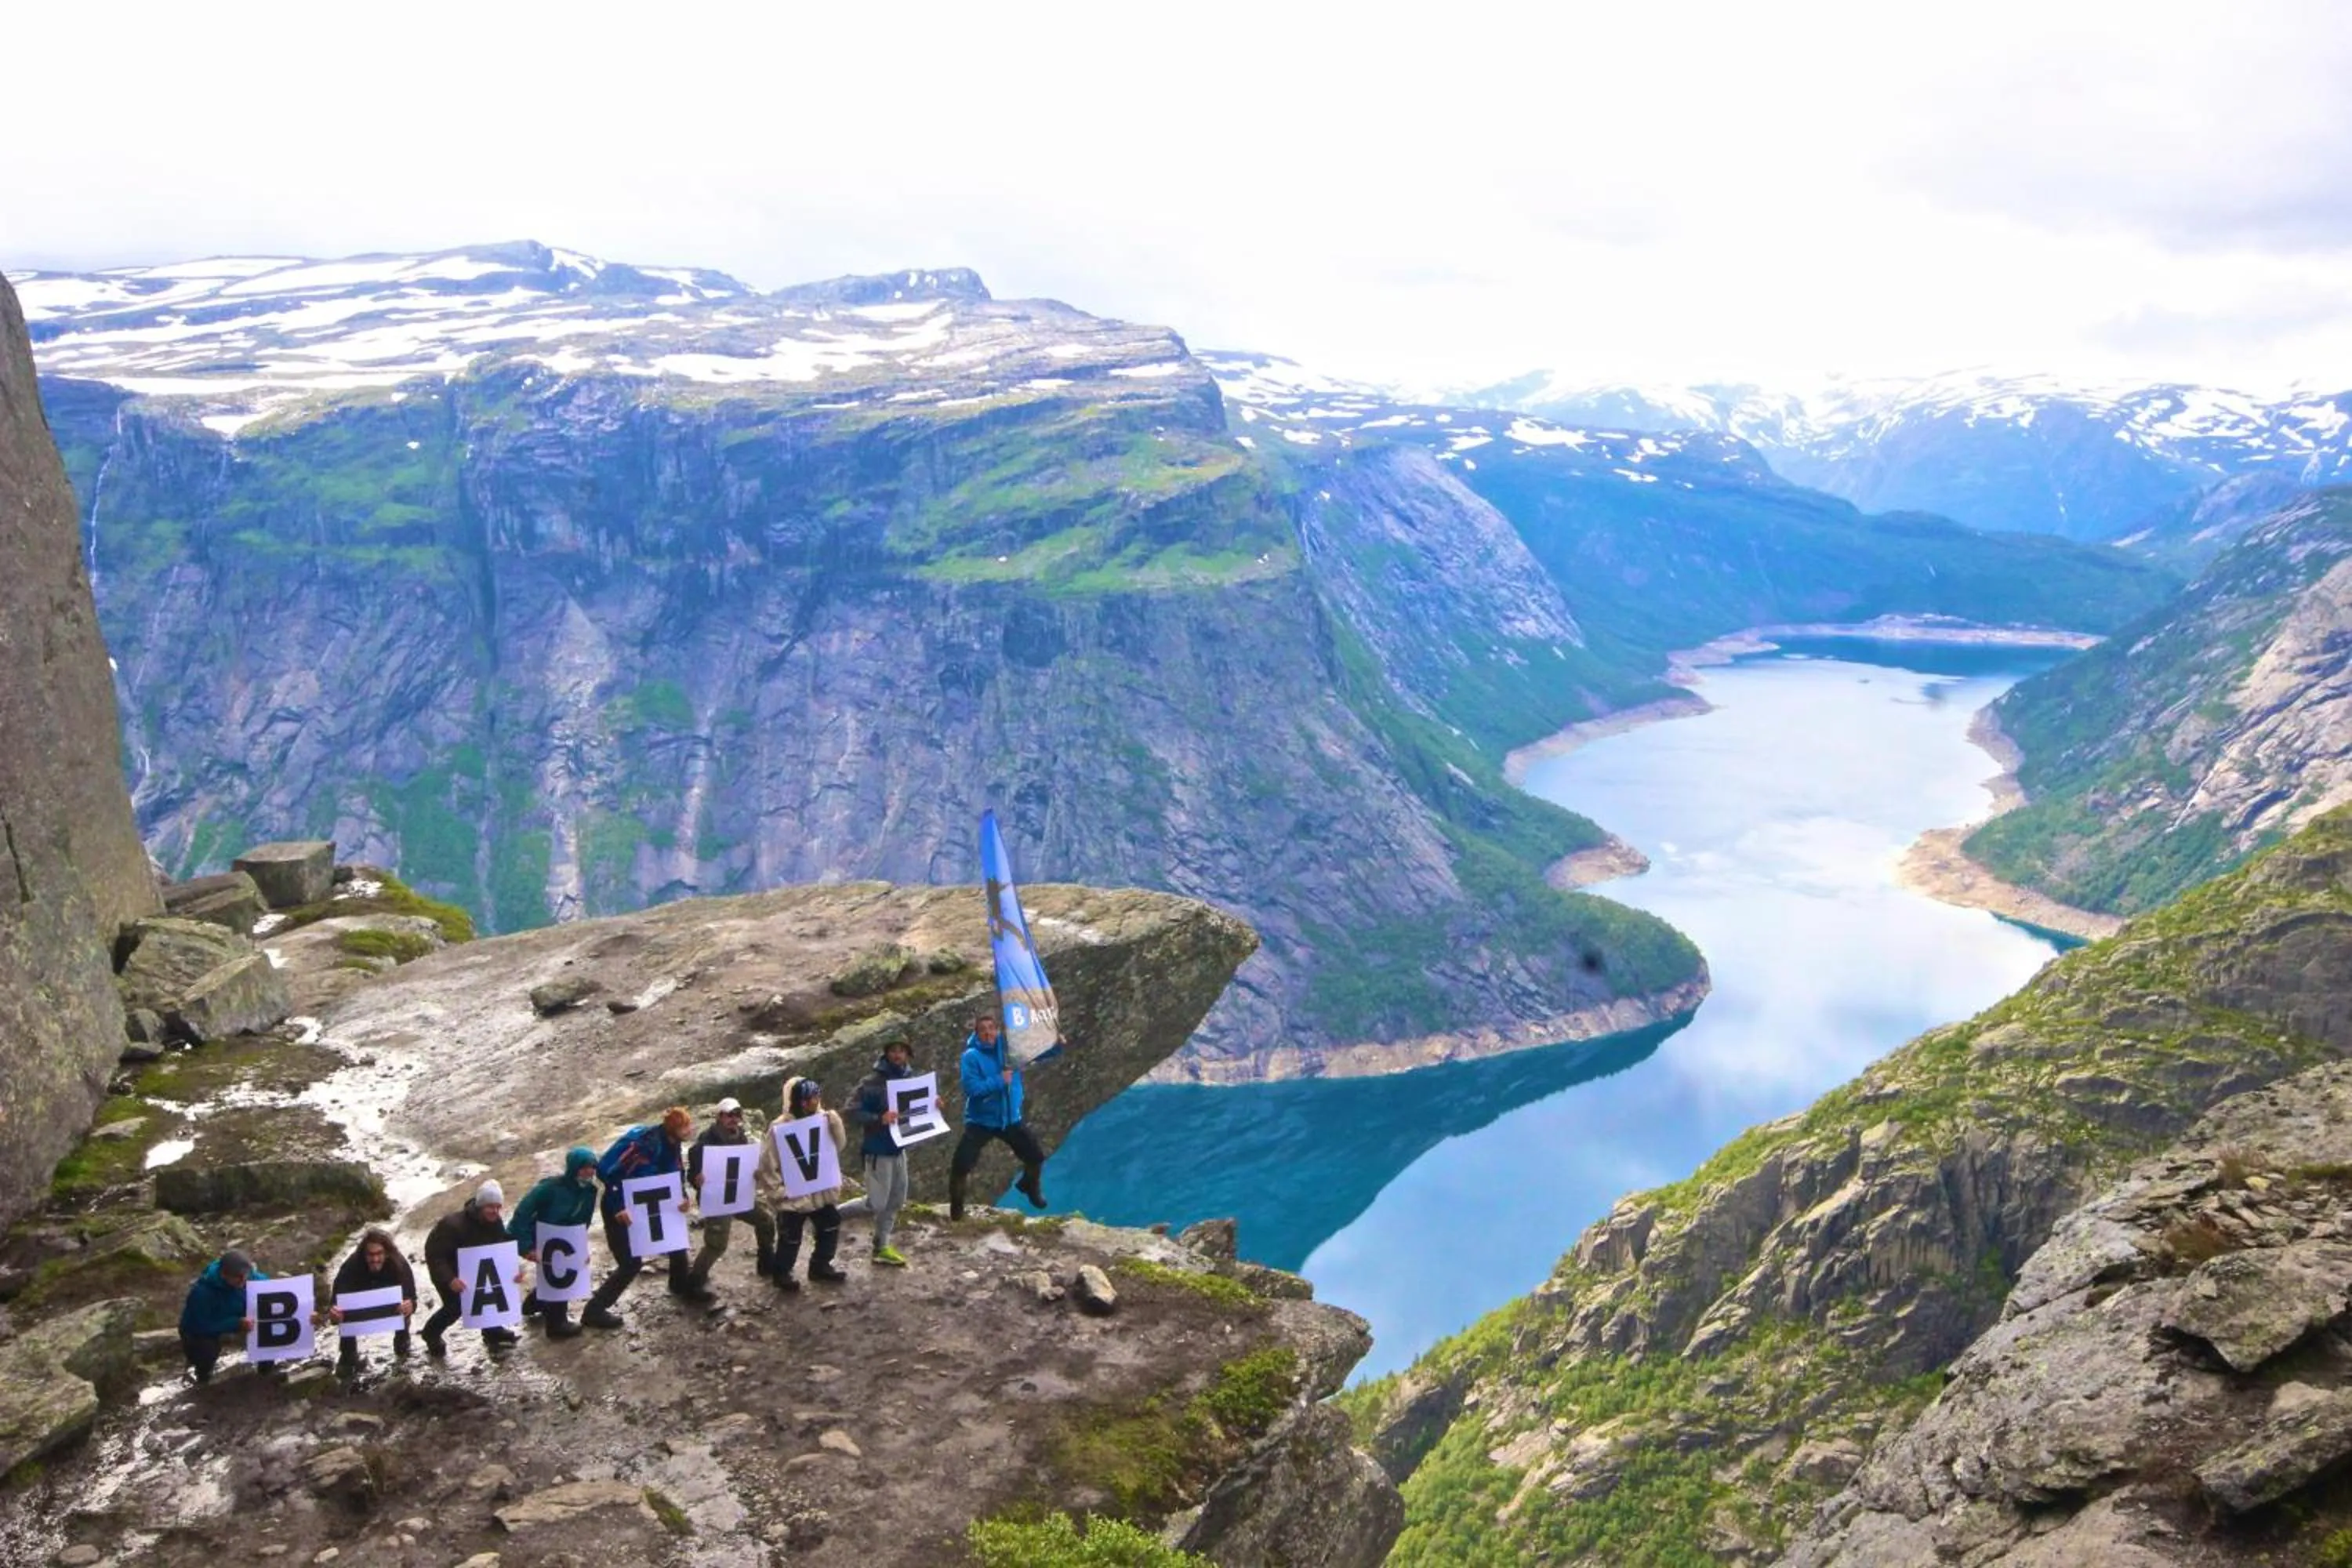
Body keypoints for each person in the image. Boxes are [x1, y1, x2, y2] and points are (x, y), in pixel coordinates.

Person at [582, 1107, 699, 1329]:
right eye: (685, 1126)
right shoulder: (643, 1145)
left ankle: (679, 1285)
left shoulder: (672, 1145)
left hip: (653, 1199)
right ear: (674, 1129)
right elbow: (609, 1172)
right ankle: (594, 1310)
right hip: (622, 1207)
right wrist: (618, 1207)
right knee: (630, 1262)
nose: (689, 1130)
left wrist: (681, 1196)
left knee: (676, 1244)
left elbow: (675, 1173)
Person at [951, 1012, 1049, 1220]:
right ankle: (957, 1209)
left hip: (1009, 1119)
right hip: (981, 1121)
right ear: (977, 1034)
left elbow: (1037, 1053)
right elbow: (972, 1089)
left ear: (997, 1030)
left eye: (991, 1028)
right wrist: (999, 1080)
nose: (988, 1032)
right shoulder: (971, 1056)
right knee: (961, 1166)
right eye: (982, 1030)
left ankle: (1029, 1186)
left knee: (1036, 1158)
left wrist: (1055, 1043)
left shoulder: (1009, 1049)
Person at [758, 1076, 848, 1290]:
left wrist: (836, 1125)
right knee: (790, 1237)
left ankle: (820, 1265)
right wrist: (778, 1191)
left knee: (830, 1223)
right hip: (793, 1195)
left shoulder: (823, 1120)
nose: (813, 1103)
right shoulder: (779, 1127)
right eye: (808, 1099)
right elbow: (767, 1163)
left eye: (816, 1098)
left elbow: (838, 1147)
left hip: (819, 1192)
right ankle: (782, 1273)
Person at [683, 1097, 775, 1295]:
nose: (734, 1119)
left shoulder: (739, 1136)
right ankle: (694, 1283)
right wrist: (697, 1179)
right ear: (720, 1117)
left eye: (737, 1115)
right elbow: (693, 1172)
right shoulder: (706, 1141)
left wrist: (753, 1173)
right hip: (717, 1199)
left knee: (766, 1221)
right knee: (716, 1244)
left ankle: (766, 1264)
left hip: (738, 1195)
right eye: (729, 1115)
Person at [508, 1145, 601, 1338]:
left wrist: (580, 1248)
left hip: (567, 1239)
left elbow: (584, 1221)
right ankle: (557, 1325)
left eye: (592, 1167)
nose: (589, 1172)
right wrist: (526, 1246)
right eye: (584, 1167)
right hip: (545, 1237)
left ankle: (534, 1304)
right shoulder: (549, 1188)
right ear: (574, 1168)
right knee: (560, 1279)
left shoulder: (590, 1191)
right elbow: (522, 1214)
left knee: (558, 1275)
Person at [837, 1036, 915, 1267]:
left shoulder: (910, 1079)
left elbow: (913, 1110)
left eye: (902, 1051)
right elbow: (850, 1111)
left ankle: (881, 1247)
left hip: (899, 1149)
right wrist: (878, 1119)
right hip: (878, 1150)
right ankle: (831, 1217)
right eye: (893, 1050)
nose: (897, 1055)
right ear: (886, 1054)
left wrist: (932, 1104)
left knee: (896, 1200)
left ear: (908, 1054)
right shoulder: (871, 1082)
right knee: (875, 1203)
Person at [421, 1180, 521, 1355]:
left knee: (492, 1294)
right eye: (491, 1207)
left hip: (476, 1268)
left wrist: (512, 1270)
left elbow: (500, 1247)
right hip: (448, 1270)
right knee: (455, 1307)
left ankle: (492, 1331)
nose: (495, 1211)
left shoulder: (495, 1222)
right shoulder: (452, 1225)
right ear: (481, 1205)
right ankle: (431, 1333)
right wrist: (450, 1279)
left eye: (498, 1207)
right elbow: (435, 1255)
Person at [328, 1227, 418, 1372]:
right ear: (364, 1255)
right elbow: (335, 1302)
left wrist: (411, 1305)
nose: (375, 1259)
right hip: (360, 1288)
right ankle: (348, 1356)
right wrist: (334, 1314)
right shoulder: (351, 1266)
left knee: (404, 1310)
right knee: (344, 1315)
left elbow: (412, 1297)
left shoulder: (399, 1264)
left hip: (390, 1290)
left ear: (387, 1253)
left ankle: (402, 1346)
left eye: (379, 1254)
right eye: (370, 1255)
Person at [179, 1249, 267, 1384]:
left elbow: (272, 1293)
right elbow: (199, 1325)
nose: (243, 1280)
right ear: (224, 1274)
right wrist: (235, 1323)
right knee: (205, 1349)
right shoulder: (202, 1292)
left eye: (245, 1275)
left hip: (240, 1322)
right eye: (237, 1277)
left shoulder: (254, 1279)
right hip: (202, 1329)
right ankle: (202, 1375)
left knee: (267, 1329)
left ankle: (265, 1371)